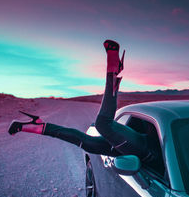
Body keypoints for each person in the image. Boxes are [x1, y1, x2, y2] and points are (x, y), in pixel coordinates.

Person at [8, 40, 157, 163]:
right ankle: (112, 70)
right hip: (153, 152)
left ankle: (39, 126)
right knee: (103, 124)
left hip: (151, 157)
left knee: (89, 144)